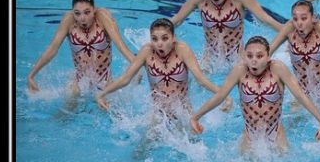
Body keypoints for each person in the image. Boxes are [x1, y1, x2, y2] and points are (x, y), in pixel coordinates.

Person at [190, 36, 320, 154]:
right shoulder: (239, 71)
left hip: (276, 134)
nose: (254, 60)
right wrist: (196, 117)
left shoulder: (278, 69)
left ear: (268, 57)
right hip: (250, 136)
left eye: (259, 56)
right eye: (249, 56)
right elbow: (220, 96)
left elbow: (300, 95)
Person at [95, 18, 232, 118]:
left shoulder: (182, 50)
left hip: (182, 110)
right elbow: (126, 78)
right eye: (154, 39)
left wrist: (224, 95)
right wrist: (102, 94)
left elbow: (201, 79)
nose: (159, 44)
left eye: (165, 38)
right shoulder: (146, 51)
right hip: (158, 111)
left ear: (173, 38)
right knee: (144, 146)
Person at [170, 0, 283, 67]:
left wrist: (288, 34)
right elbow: (178, 20)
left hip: (237, 57)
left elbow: (265, 19)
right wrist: (159, 31)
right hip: (210, 58)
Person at [27, 0, 136, 93]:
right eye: (77, 13)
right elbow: (52, 48)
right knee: (69, 101)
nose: (82, 18)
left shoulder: (102, 17)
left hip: (105, 79)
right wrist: (31, 75)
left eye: (87, 12)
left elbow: (120, 45)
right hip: (80, 80)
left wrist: (136, 66)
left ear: (94, 10)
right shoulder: (69, 20)